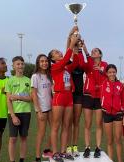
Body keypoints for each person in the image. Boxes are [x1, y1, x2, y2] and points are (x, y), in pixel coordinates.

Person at [48, 26, 80, 162]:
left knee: (67, 126)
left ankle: (63, 151)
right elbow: (67, 56)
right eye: (56, 52)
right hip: (59, 96)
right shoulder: (54, 67)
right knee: (56, 126)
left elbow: (75, 61)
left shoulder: (65, 66)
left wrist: (76, 48)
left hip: (69, 97)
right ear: (52, 58)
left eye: (58, 51)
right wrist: (71, 43)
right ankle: (55, 153)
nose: (59, 52)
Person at [79, 41, 108, 158]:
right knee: (87, 124)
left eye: (96, 50)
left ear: (100, 55)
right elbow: (82, 63)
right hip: (88, 96)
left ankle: (98, 147)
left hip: (100, 97)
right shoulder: (89, 64)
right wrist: (83, 48)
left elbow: (109, 77)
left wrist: (101, 71)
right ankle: (87, 147)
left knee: (99, 124)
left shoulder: (105, 64)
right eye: (92, 51)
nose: (93, 51)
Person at [5, 56, 32, 162]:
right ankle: (12, 160)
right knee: (13, 138)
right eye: (18, 64)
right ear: (13, 66)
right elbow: (8, 100)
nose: (20, 66)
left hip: (26, 112)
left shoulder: (28, 80)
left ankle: (22, 159)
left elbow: (31, 98)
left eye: (22, 64)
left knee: (24, 138)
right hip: (14, 113)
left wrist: (18, 97)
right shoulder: (10, 81)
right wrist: (13, 116)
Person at [65, 28, 85, 157]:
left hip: (78, 94)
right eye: (75, 40)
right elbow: (68, 45)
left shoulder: (81, 56)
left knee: (76, 122)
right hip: (68, 94)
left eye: (78, 40)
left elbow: (86, 64)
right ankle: (67, 148)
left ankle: (75, 146)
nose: (76, 42)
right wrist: (70, 34)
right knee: (67, 122)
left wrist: (80, 42)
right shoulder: (68, 56)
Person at [100, 64, 124, 162]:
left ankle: (119, 160)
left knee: (118, 140)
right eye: (110, 72)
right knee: (109, 141)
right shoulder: (103, 83)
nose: (112, 74)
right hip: (107, 114)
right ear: (106, 73)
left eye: (114, 72)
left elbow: (123, 101)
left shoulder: (120, 85)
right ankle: (110, 160)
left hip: (118, 114)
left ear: (116, 73)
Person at [31, 54, 53, 162]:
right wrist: (38, 110)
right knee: (41, 132)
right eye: (42, 61)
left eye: (46, 61)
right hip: (42, 109)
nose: (44, 63)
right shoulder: (35, 76)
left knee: (54, 130)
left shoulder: (50, 75)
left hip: (51, 107)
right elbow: (34, 94)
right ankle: (37, 157)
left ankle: (47, 151)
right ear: (38, 63)